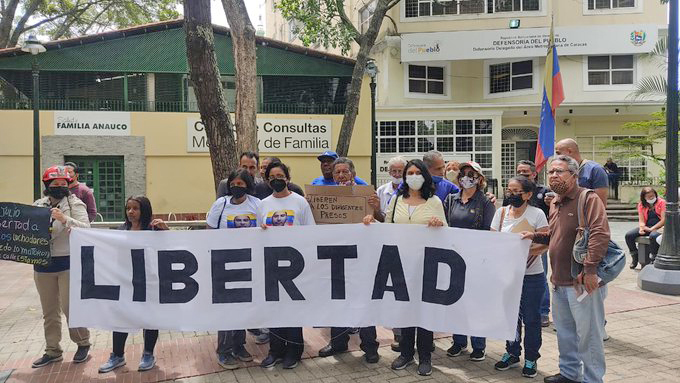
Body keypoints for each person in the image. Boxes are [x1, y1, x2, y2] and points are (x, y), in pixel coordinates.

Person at [522, 155, 610, 383]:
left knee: (588, 337)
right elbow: (556, 235)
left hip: (581, 281)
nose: (553, 175)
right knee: (565, 333)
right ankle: (570, 374)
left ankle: (592, 379)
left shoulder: (587, 198)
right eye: (551, 172)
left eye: (559, 171)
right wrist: (535, 236)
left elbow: (600, 234)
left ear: (574, 175)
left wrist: (590, 270)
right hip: (559, 282)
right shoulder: (556, 202)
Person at [362, 159, 446, 377]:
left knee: (424, 312)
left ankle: (425, 357)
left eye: (418, 172)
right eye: (410, 172)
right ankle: (407, 353)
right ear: (405, 177)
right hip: (400, 264)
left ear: (425, 176)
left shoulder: (434, 201)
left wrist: (438, 226)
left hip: (426, 265)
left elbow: (447, 233)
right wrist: (372, 222)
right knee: (406, 311)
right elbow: (387, 227)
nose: (414, 176)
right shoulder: (397, 200)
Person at [318, 157, 380, 363]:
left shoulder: (367, 194)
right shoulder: (325, 196)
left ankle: (370, 346)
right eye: (338, 173)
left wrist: (376, 210)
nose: (341, 175)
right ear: (333, 176)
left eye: (345, 172)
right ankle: (338, 342)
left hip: (362, 256)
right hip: (336, 254)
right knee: (337, 300)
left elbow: (382, 222)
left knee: (365, 300)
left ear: (353, 173)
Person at [99, 196, 168, 373]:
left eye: (135, 208)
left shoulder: (153, 229)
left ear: (144, 210)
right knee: (121, 317)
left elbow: (171, 246)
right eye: (128, 208)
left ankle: (148, 354)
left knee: (150, 318)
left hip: (149, 281)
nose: (131, 212)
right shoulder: (121, 230)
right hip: (125, 281)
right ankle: (117, 355)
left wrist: (165, 229)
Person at [31, 165, 91, 368]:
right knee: (49, 311)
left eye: (63, 183)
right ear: (47, 185)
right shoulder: (38, 205)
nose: (59, 186)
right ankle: (53, 350)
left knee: (70, 308)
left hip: (68, 263)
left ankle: (83, 343)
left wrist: (65, 219)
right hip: (43, 264)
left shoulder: (75, 204)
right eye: (55, 184)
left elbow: (86, 229)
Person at [258, 160, 315, 369]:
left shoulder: (300, 202)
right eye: (272, 178)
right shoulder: (263, 204)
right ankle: (275, 350)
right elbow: (254, 236)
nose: (276, 181)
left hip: (295, 264)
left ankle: (294, 351)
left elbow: (310, 231)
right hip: (271, 264)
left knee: (292, 310)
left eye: (280, 177)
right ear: (267, 180)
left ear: (288, 179)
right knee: (274, 309)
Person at [492, 176, 549, 378]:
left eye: (516, 191)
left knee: (531, 318)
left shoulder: (537, 214)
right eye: (509, 190)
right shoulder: (500, 214)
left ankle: (532, 357)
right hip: (507, 275)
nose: (511, 194)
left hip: (531, 276)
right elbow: (492, 241)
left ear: (528, 194)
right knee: (510, 316)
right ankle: (512, 352)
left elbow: (545, 242)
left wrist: (526, 251)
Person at [206, 169, 260, 369]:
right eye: (233, 183)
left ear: (248, 185)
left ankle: (239, 346)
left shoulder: (257, 205)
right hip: (224, 264)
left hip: (248, 264)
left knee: (242, 307)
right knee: (226, 309)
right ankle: (224, 350)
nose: (237, 187)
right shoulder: (221, 204)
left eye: (241, 183)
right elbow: (210, 231)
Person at [443, 161, 495, 362]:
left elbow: (488, 231)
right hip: (454, 258)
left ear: (480, 178)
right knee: (456, 301)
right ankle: (458, 341)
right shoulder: (451, 199)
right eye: (463, 173)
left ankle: (479, 345)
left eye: (471, 174)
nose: (466, 177)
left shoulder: (485, 202)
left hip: (476, 259)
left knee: (476, 303)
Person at [505, 160, 552, 327]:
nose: (522, 174)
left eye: (525, 172)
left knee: (541, 275)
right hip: (511, 255)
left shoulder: (544, 193)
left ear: (534, 174)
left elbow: (548, 227)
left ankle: (543, 311)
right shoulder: (506, 206)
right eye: (519, 171)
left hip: (536, 246)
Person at [367, 155, 406, 349]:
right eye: (394, 171)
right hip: (386, 246)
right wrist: (374, 210)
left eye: (401, 171)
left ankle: (410, 334)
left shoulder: (412, 191)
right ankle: (398, 334)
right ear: (389, 173)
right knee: (392, 290)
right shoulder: (382, 191)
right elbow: (380, 219)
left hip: (407, 246)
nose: (397, 174)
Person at [555, 139, 609, 206]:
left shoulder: (595, 170)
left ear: (569, 151)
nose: (557, 157)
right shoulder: (564, 171)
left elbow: (601, 204)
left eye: (558, 153)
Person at [625, 186, 665, 269]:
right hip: (647, 226)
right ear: (644, 198)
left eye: (653, 196)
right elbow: (641, 220)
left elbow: (663, 220)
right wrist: (641, 228)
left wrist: (652, 229)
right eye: (649, 197)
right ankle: (635, 257)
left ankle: (653, 258)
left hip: (659, 227)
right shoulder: (641, 205)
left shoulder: (662, 202)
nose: (651, 198)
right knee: (629, 235)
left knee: (653, 236)